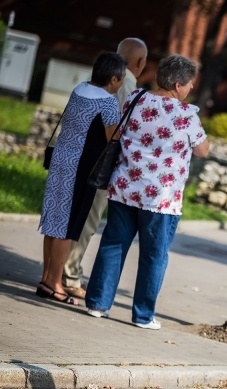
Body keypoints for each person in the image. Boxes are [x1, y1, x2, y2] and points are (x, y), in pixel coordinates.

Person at [84, 55, 210, 329]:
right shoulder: (187, 114)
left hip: (125, 186)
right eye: (189, 84)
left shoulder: (136, 99)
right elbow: (203, 150)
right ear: (178, 84)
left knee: (113, 244)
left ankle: (97, 304)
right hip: (161, 199)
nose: (190, 89)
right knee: (154, 255)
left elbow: (119, 132)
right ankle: (142, 316)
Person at [61, 38, 148, 300]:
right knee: (87, 220)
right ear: (141, 62)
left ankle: (58, 271)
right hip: (100, 162)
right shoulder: (128, 86)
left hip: (78, 154)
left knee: (71, 216)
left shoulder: (98, 81)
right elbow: (119, 131)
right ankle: (70, 274)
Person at [36, 52, 126, 305]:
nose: (122, 84)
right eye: (122, 79)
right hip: (82, 169)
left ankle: (45, 278)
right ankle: (55, 283)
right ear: (113, 78)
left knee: (53, 222)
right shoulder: (108, 102)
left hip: (61, 160)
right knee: (69, 227)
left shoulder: (79, 90)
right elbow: (113, 138)